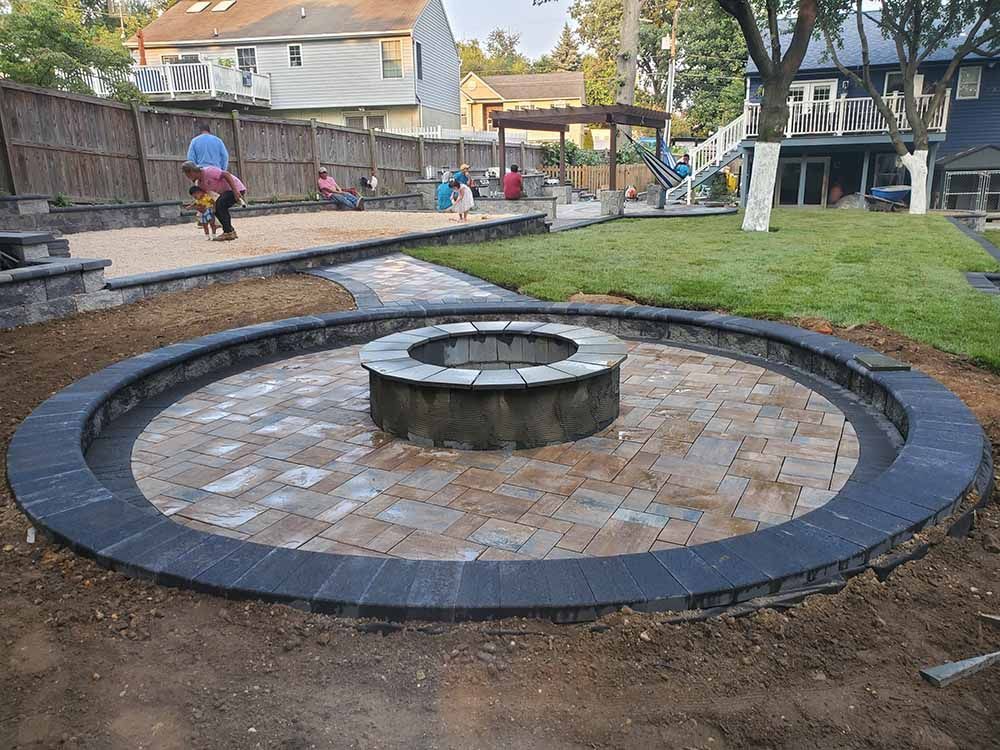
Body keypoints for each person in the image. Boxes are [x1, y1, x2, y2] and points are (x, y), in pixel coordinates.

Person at [181, 161, 246, 242]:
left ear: (191, 171)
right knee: (216, 209)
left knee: (220, 205)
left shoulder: (208, 171)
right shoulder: (200, 183)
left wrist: (235, 191)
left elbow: (226, 174)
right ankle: (230, 231)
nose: (187, 177)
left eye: (187, 174)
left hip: (236, 189)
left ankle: (228, 232)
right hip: (225, 193)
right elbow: (205, 198)